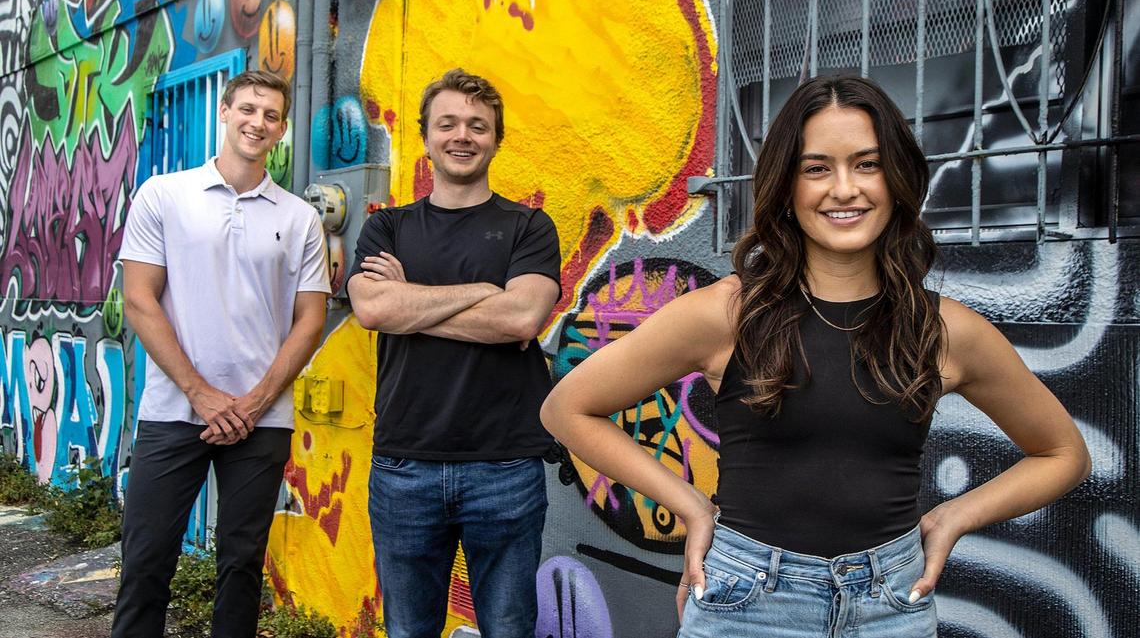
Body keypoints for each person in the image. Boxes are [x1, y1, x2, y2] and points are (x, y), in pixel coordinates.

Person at [541, 75, 1090, 637]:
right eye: (817, 168)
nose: (844, 188)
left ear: (897, 178)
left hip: (891, 608)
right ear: (786, 186)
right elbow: (568, 409)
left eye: (867, 164)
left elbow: (1062, 453)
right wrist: (689, 505)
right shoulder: (726, 313)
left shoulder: (946, 330)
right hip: (746, 602)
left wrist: (952, 518)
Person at [114, 70, 330, 638]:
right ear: (225, 111)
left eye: (272, 116)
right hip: (172, 411)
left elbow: (310, 320)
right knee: (146, 562)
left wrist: (255, 402)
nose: (258, 122)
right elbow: (139, 300)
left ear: (282, 130)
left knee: (241, 567)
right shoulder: (164, 194)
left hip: (262, 420)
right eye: (249, 109)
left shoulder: (299, 217)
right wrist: (200, 393)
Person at [347, 68, 561, 638]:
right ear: (426, 136)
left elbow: (521, 317)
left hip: (505, 467)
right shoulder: (386, 228)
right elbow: (372, 311)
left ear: (497, 138)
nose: (462, 136)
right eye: (448, 124)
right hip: (404, 466)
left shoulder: (529, 227)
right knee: (409, 629)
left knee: (508, 627)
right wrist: (483, 294)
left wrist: (409, 299)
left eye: (477, 125)